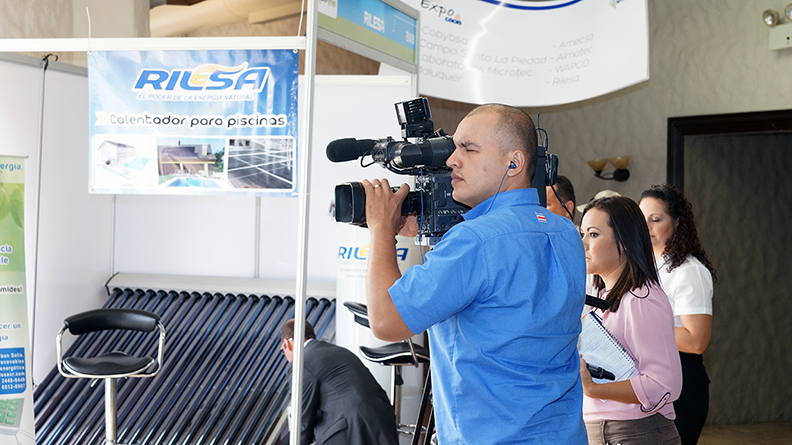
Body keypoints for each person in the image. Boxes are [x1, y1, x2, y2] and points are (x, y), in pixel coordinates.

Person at [360, 104, 587, 443]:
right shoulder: (566, 232)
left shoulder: (474, 241)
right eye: (454, 148)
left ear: (514, 163)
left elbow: (385, 321)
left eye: (468, 149)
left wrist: (381, 230)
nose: (452, 160)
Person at [579, 196, 683, 444]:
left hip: (634, 432)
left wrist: (593, 388)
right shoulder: (607, 296)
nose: (583, 243)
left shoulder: (641, 299)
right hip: (606, 430)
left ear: (624, 241)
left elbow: (664, 384)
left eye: (593, 234)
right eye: (582, 234)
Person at [640, 184, 716, 445]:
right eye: (642, 218)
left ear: (677, 223)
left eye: (655, 219)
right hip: (652, 379)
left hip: (683, 383)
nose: (646, 226)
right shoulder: (646, 266)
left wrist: (641, 326)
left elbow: (696, 341)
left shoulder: (688, 271)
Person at [280, 319, 398, 445]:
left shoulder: (300, 362)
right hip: (383, 418)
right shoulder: (340, 351)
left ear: (287, 343)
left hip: (352, 429)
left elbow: (302, 420)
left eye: (283, 350)